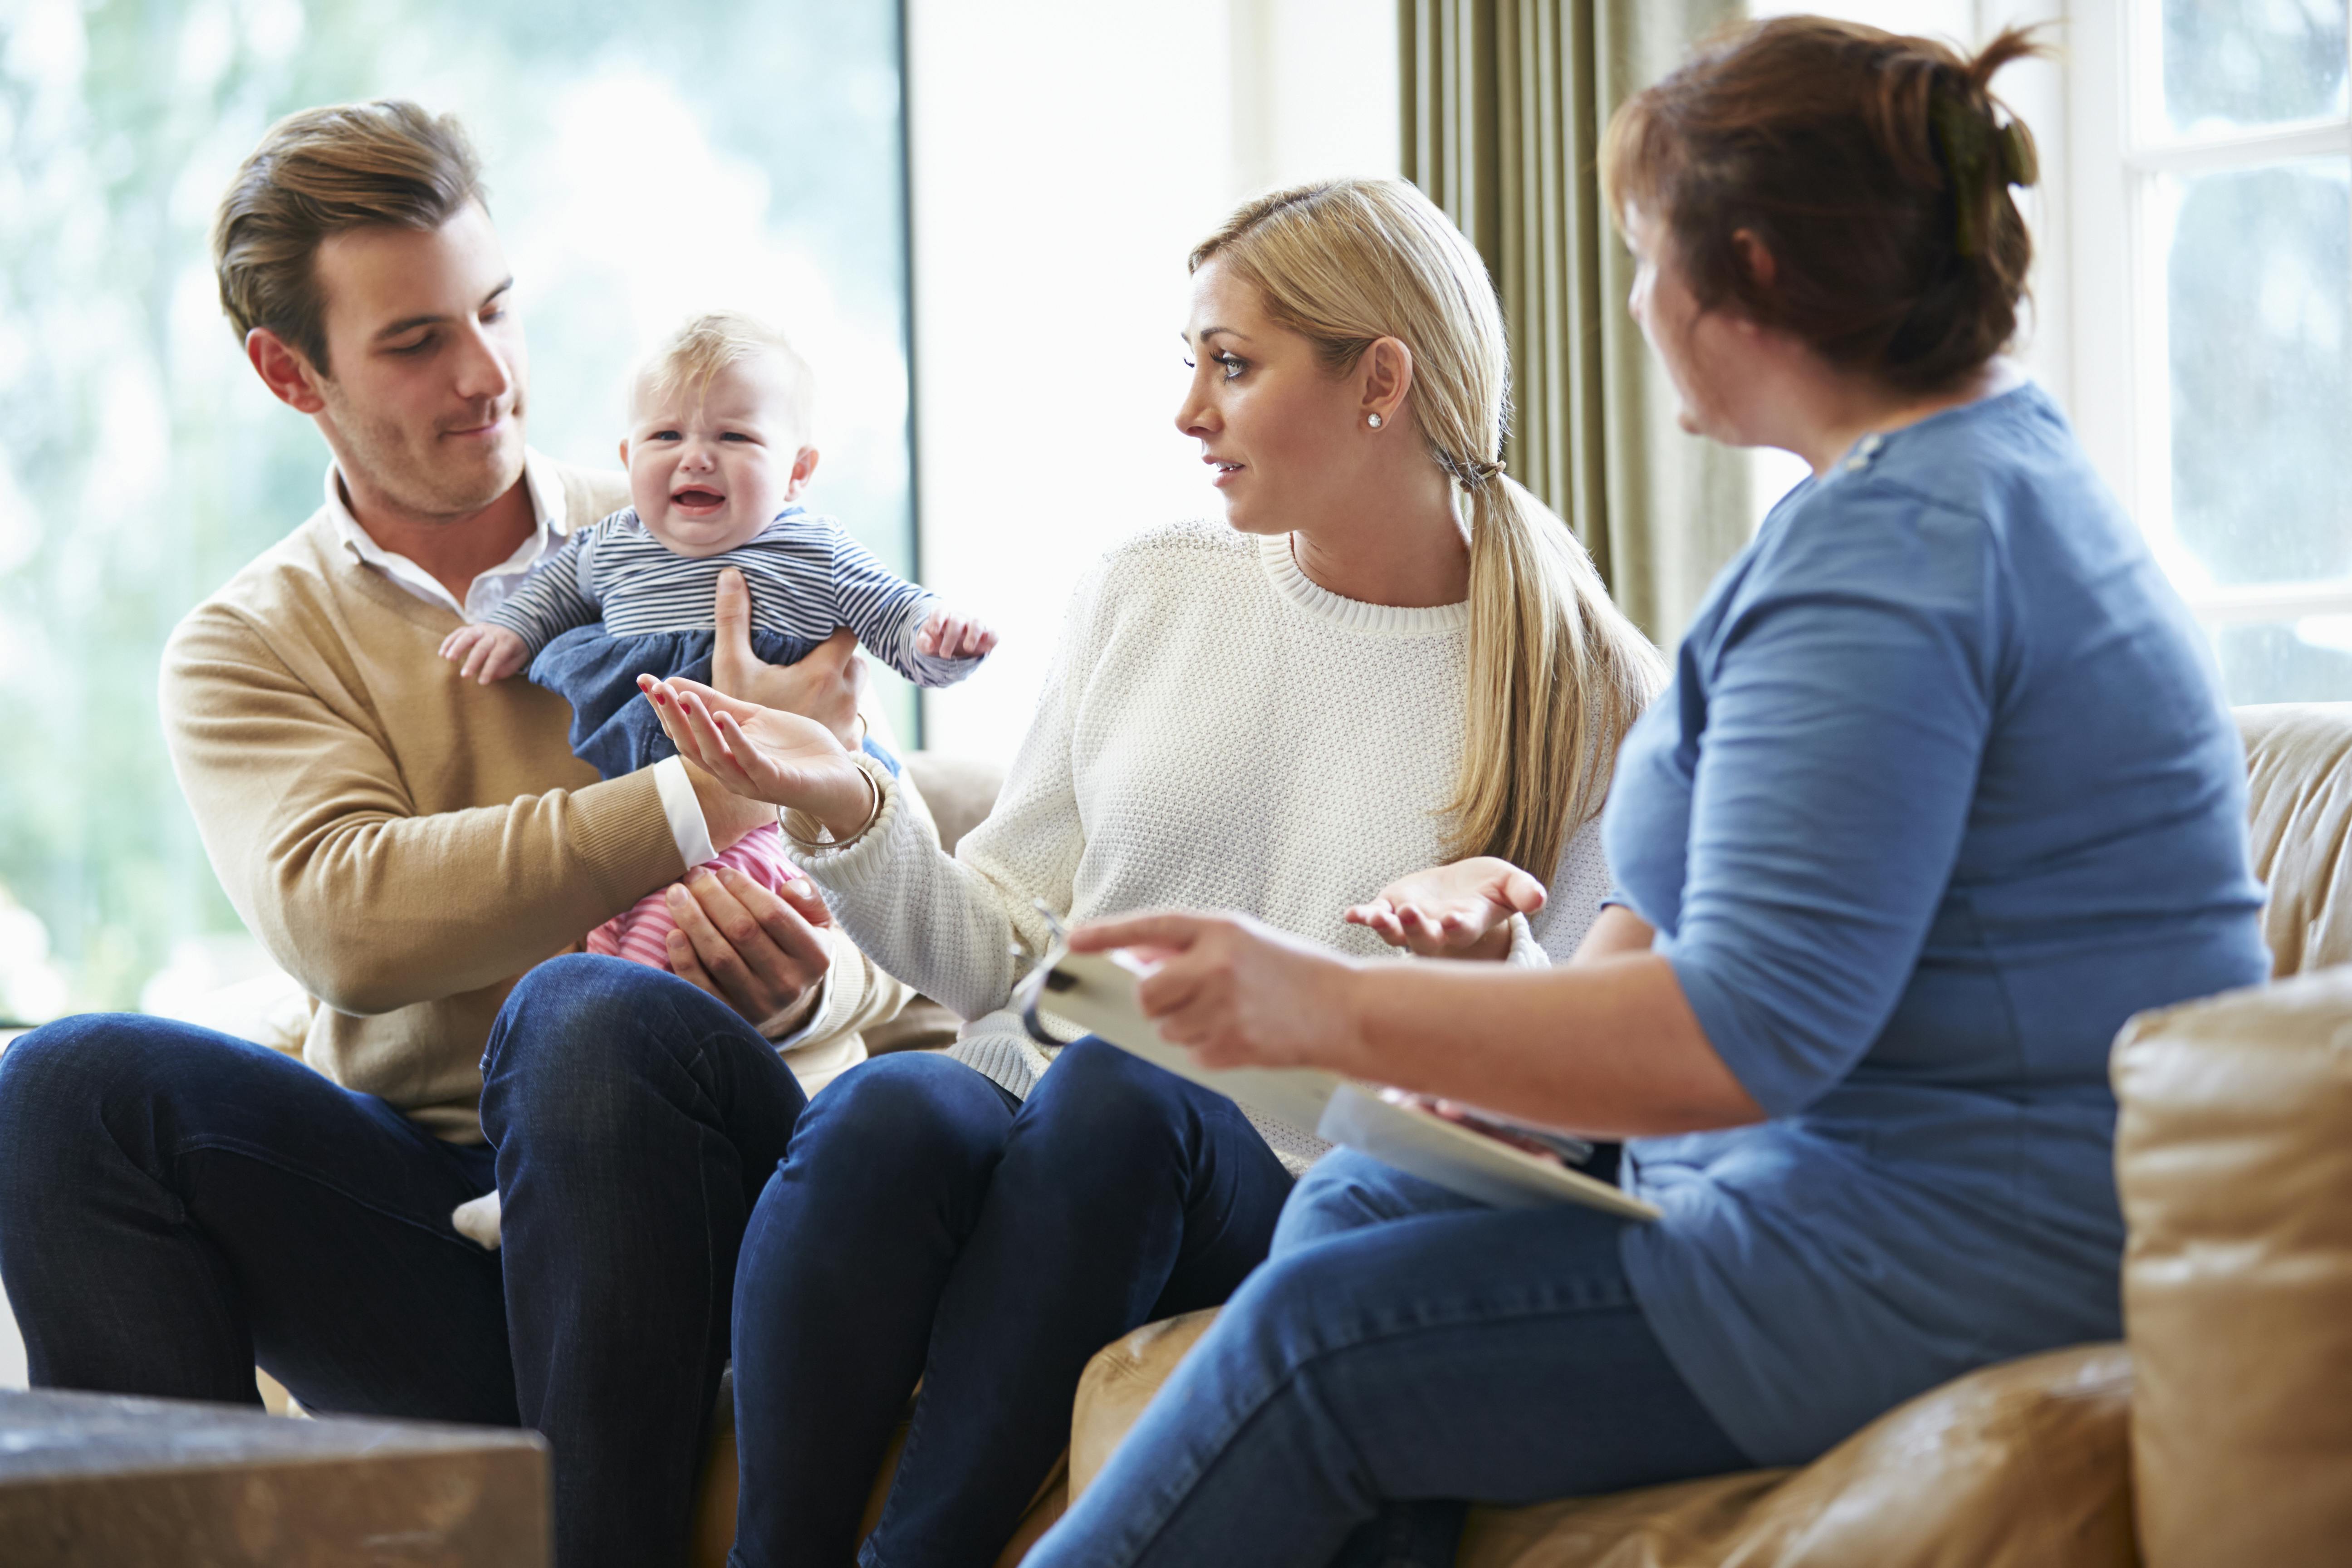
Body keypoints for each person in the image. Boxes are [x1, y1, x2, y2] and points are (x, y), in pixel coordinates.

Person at [1019, 20, 2276, 1568]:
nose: (1630, 303)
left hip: (1927, 1254)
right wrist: (1488, 1063)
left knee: (1323, 1341)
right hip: (1809, 1198)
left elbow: (1742, 1027)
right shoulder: (1932, 493)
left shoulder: (1896, 564)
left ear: (1737, 273)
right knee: (1351, 1210)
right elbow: (1682, 925)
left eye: (1640, 258)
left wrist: (1320, 1009)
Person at [639, 175, 1661, 1567]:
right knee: (892, 1114)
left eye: (1232, 367)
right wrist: (851, 805)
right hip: (1059, 1120)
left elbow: (1592, 1080)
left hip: (1290, 1181)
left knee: (1133, 1087)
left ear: (1381, 381)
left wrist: (1495, 962)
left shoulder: (1589, 686)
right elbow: (1011, 956)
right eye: (1192, 365)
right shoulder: (1147, 588)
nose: (1190, 413)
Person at [0, 101, 915, 1568]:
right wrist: (705, 794)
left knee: (581, 1016)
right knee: (60, 1086)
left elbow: (902, 878)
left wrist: (811, 983)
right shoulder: (249, 643)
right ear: (287, 370)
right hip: (435, 1233)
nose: (488, 374)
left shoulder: (695, 515)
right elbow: (346, 923)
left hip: (709, 1199)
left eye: (496, 310)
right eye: (418, 339)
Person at [443, 309, 995, 972]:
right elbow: (558, 591)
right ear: (629, 457)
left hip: (774, 818)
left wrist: (940, 637)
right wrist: (512, 627)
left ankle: (648, 1006)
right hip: (639, 803)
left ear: (798, 471)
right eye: (666, 435)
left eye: (734, 436)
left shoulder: (812, 549)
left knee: (675, 941)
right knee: (604, 939)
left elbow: (895, 613)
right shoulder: (614, 540)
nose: (696, 455)